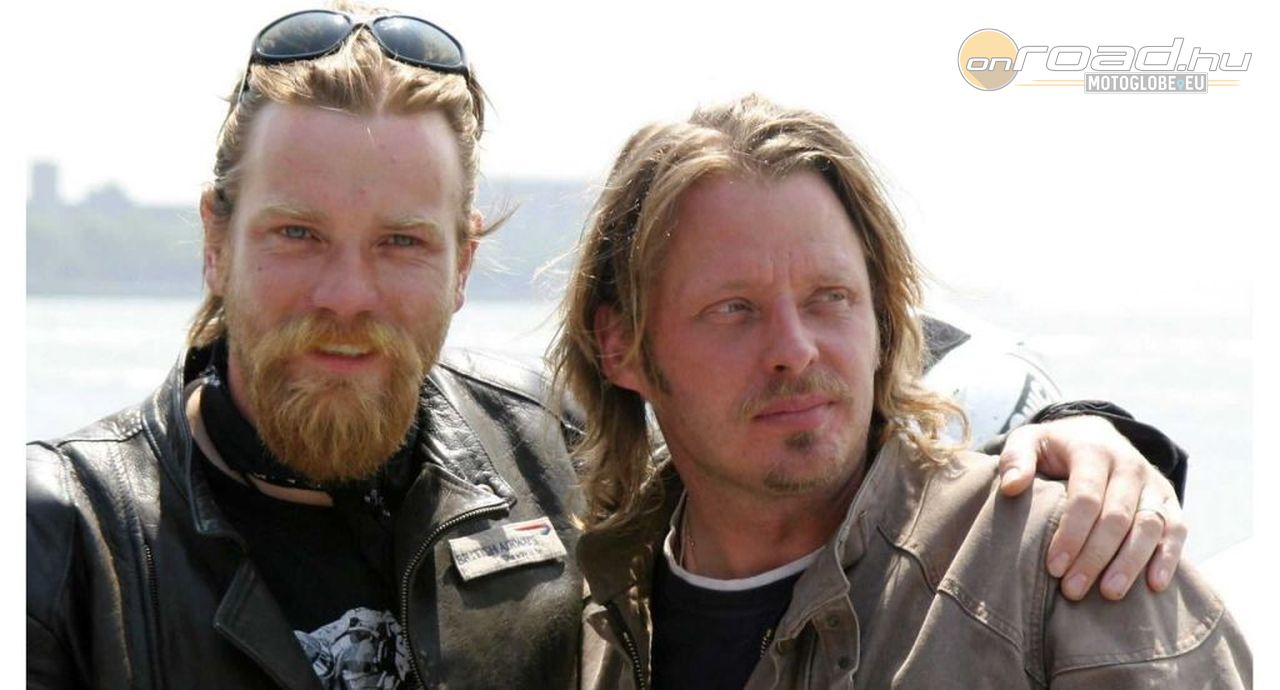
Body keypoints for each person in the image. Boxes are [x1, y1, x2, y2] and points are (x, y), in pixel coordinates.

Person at [25, 4, 1188, 689]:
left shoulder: (548, 446)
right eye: (295, 235)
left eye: (400, 243)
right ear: (215, 240)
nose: (347, 294)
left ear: (462, 262)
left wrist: (1079, 435)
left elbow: (809, 375)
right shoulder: (63, 541)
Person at [554, 94, 1249, 688]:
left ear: (882, 316)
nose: (795, 349)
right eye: (734, 309)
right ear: (621, 346)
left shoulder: (1071, 569)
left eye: (830, 297)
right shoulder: (587, 618)